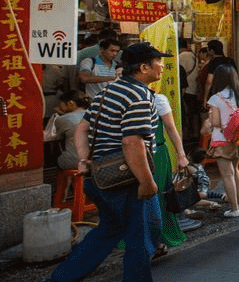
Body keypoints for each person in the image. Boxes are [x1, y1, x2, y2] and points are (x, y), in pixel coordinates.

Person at [45, 42, 170, 282]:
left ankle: (59, 278)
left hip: (99, 176)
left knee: (110, 230)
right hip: (126, 179)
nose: (162, 67)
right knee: (141, 237)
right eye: (158, 62)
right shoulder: (140, 96)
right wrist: (146, 181)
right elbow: (132, 143)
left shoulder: (107, 92)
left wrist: (84, 160)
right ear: (144, 67)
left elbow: (82, 128)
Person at [206, 64, 239, 218]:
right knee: (235, 169)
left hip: (222, 139)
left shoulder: (215, 98)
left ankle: (234, 208)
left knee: (227, 174)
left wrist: (210, 119)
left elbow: (216, 122)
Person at [152, 91, 191, 254]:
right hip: (145, 153)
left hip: (157, 154)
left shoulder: (158, 99)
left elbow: (171, 128)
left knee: (159, 195)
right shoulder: (155, 99)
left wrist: (181, 155)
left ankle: (158, 239)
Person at [45, 89, 90, 170]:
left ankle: (65, 182)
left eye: (60, 104)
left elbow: (56, 136)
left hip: (74, 161)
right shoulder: (93, 113)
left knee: (55, 158)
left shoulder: (64, 119)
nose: (59, 107)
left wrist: (60, 115)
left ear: (70, 103)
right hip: (95, 159)